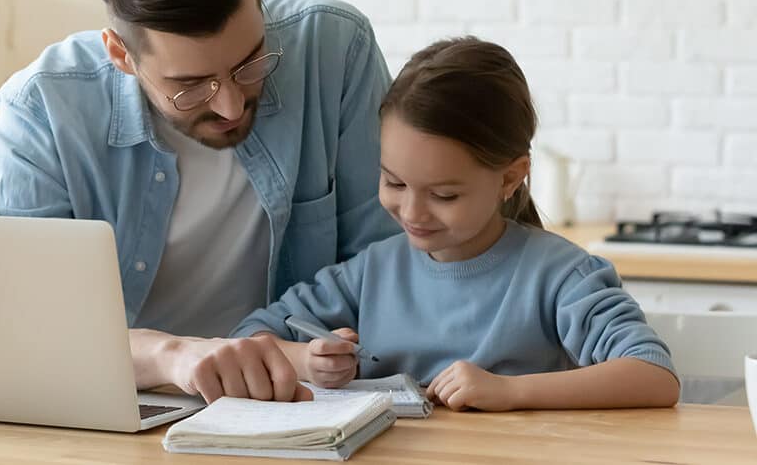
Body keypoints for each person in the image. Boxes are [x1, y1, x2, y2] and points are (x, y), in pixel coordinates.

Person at [0, 0, 400, 403]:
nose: (231, 106)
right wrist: (173, 355)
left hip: (298, 402)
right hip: (125, 406)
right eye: (192, 84)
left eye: (251, 61)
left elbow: (389, 263)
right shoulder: (43, 108)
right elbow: (23, 322)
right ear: (120, 54)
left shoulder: (334, 50)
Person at [231, 36, 680, 411]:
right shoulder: (371, 271)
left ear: (509, 178)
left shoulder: (562, 275)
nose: (411, 213)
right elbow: (247, 337)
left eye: (444, 195)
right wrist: (308, 360)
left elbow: (654, 375)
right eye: (394, 182)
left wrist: (510, 390)